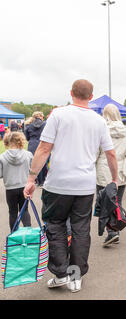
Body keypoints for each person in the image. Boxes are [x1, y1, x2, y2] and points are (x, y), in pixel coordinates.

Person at [23, 79, 118, 293]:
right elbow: (110, 153)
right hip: (84, 186)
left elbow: (44, 148)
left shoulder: (58, 114)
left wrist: (31, 178)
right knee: (80, 229)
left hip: (58, 184)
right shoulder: (98, 120)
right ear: (91, 97)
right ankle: (75, 276)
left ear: (71, 92)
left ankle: (61, 273)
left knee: (55, 225)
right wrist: (114, 178)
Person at [96, 104, 126, 247]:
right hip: (121, 169)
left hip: (104, 168)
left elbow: (97, 150)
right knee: (117, 201)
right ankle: (115, 228)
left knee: (104, 201)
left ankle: (111, 231)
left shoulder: (101, 130)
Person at [0, 132, 33, 231]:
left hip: (10, 189)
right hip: (25, 187)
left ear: (7, 141)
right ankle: (28, 233)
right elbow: (32, 171)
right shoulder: (28, 155)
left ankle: (14, 235)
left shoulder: (2, 157)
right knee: (25, 211)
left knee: (13, 212)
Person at [25, 111, 48, 186]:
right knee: (43, 163)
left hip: (32, 145)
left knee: (33, 164)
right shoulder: (45, 124)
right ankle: (43, 180)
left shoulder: (28, 125)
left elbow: (27, 137)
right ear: (40, 116)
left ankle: (37, 180)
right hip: (42, 144)